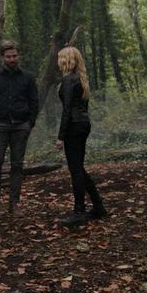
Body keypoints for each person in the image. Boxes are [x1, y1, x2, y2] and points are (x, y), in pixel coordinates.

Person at [0, 40, 40, 215]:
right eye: (8, 56)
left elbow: (34, 101)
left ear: (18, 55)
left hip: (21, 126)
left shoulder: (28, 77)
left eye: (14, 56)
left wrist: (30, 123)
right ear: (2, 58)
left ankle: (14, 203)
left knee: (17, 165)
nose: (12, 59)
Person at [55, 46, 106, 227]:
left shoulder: (69, 79)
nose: (58, 61)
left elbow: (67, 110)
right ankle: (98, 206)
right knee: (79, 169)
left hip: (74, 127)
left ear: (65, 60)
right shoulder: (80, 78)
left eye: (60, 58)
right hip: (83, 124)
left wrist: (60, 136)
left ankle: (79, 212)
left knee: (75, 169)